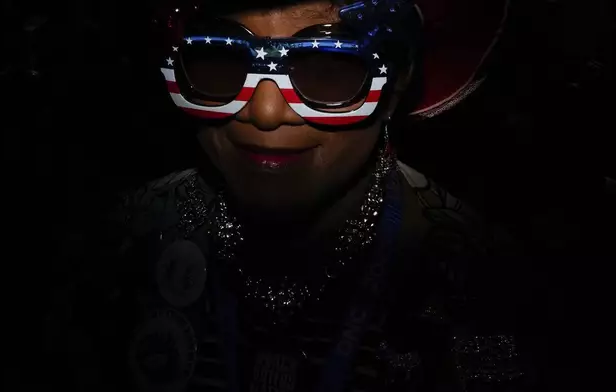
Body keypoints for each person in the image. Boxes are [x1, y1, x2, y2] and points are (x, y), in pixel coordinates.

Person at [34, 0, 539, 391]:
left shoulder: (480, 276)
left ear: (398, 83)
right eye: (219, 62)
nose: (267, 112)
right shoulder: (122, 241)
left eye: (329, 69)